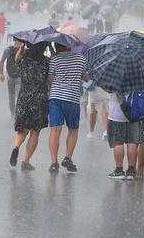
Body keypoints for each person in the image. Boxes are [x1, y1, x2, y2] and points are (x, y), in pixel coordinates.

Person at [47, 44, 89, 173]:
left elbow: (49, 79)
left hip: (56, 98)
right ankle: (68, 158)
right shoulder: (80, 58)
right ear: (70, 46)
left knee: (55, 130)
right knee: (73, 130)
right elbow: (87, 78)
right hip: (72, 98)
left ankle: (54, 163)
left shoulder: (54, 59)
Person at [9, 42, 50, 170]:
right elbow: (49, 80)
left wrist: (21, 49)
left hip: (24, 97)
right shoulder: (46, 62)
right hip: (39, 98)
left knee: (22, 129)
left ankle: (16, 147)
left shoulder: (24, 60)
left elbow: (16, 60)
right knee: (35, 131)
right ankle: (26, 161)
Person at [106, 93, 140, 180]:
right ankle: (131, 171)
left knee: (118, 142)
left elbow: (108, 89)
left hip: (116, 113)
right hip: (134, 112)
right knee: (132, 142)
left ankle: (119, 170)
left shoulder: (114, 79)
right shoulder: (137, 78)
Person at [0, 37, 23, 117]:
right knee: (18, 95)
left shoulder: (8, 50)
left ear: (14, 41)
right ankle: (18, 112)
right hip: (19, 76)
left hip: (10, 75)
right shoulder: (23, 50)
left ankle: (13, 114)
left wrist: (1, 74)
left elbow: (2, 61)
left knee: (11, 96)